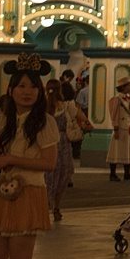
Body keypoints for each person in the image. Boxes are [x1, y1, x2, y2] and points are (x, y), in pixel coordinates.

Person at [0, 53, 60, 259]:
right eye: (21, 86)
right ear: (10, 90)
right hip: (2, 193)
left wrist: (11, 158)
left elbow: (49, 163)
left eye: (32, 86)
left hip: (29, 194)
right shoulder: (6, 120)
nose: (27, 91)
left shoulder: (44, 122)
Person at [43, 79, 74, 222]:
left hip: (47, 142)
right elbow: (82, 119)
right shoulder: (65, 106)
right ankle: (56, 207)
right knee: (63, 175)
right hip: (63, 143)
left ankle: (45, 206)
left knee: (48, 176)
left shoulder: (42, 107)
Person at [106, 78, 130, 181]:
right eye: (129, 85)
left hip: (128, 128)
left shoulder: (129, 98)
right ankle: (112, 174)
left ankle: (127, 173)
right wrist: (116, 128)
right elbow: (114, 114)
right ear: (123, 87)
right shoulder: (116, 99)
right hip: (120, 128)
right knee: (115, 151)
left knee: (127, 151)